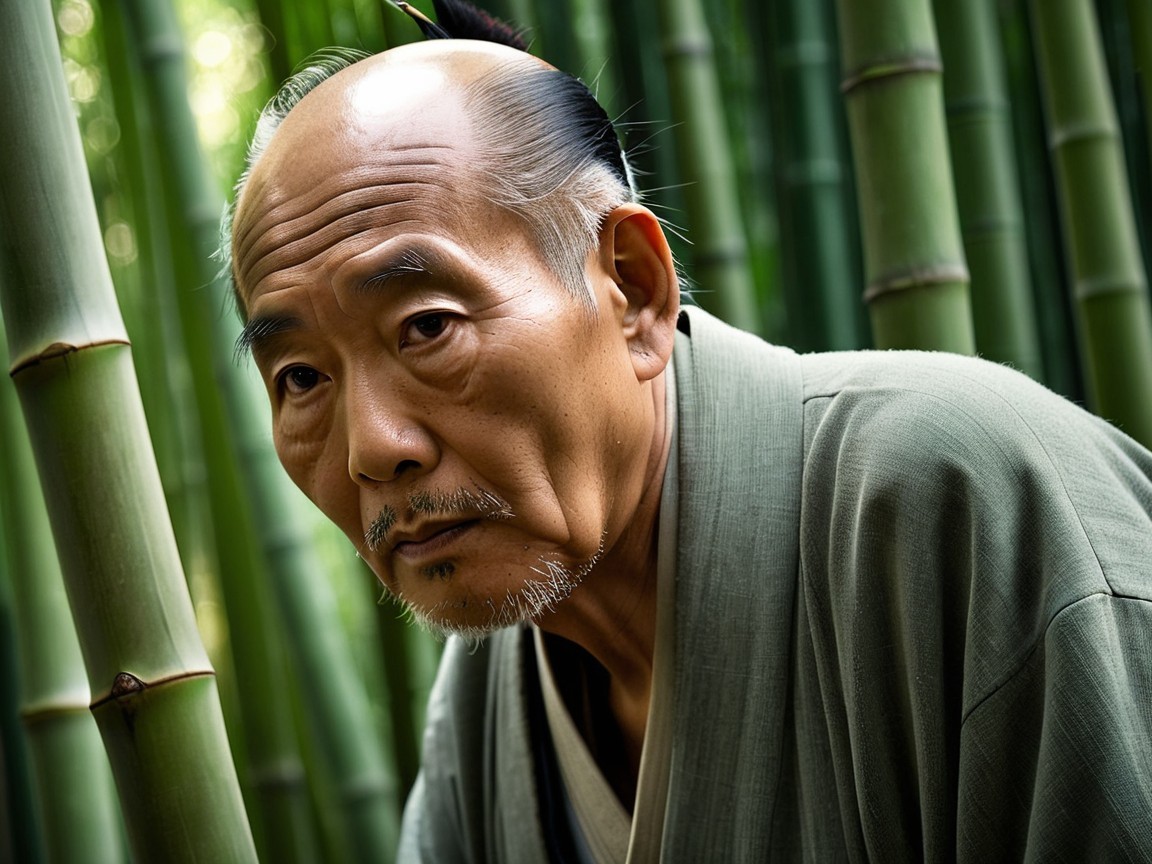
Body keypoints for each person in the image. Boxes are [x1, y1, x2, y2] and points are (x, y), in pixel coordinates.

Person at [225, 3, 1152, 860]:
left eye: (427, 326)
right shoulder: (484, 707)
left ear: (631, 290)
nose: (373, 447)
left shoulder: (965, 507)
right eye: (301, 378)